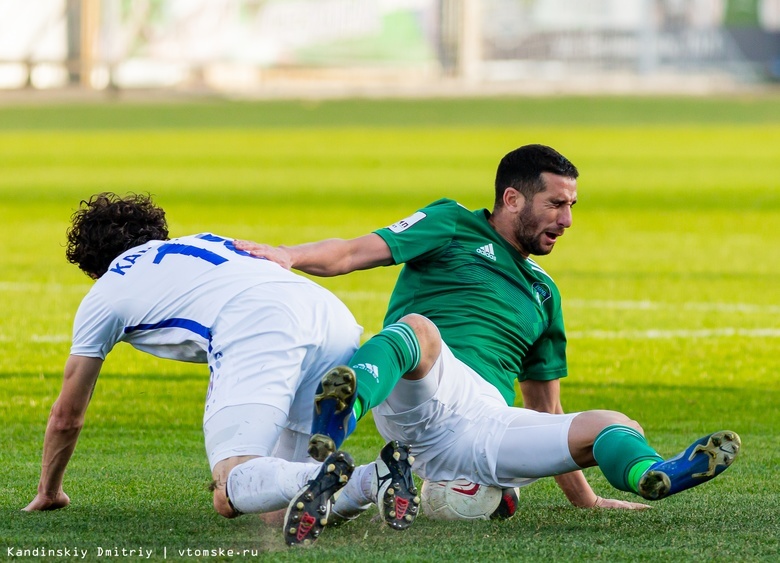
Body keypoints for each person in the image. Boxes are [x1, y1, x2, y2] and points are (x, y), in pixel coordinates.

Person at [235, 144, 741, 520]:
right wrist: (289, 256)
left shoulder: (545, 293)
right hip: (423, 392)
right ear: (512, 198)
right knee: (418, 330)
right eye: (555, 204)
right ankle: (340, 412)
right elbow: (352, 252)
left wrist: (586, 501)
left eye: (572, 207)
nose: (567, 220)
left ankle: (657, 474)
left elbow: (547, 409)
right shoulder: (451, 223)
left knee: (610, 422)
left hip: (483, 427)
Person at [23, 192, 419, 547]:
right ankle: (374, 477)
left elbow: (66, 417)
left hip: (257, 322)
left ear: (93, 265)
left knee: (230, 489)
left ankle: (312, 477)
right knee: (274, 509)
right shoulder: (203, 240)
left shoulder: (106, 290)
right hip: (328, 313)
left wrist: (49, 491)